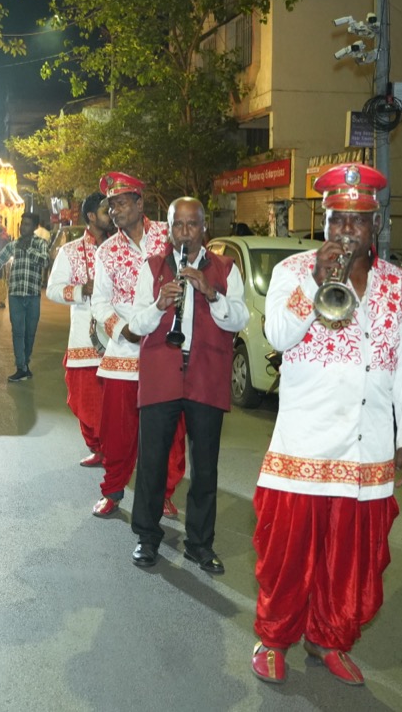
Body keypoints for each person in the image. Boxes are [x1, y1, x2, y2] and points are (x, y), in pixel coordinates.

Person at [250, 163, 402, 687]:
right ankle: (274, 638)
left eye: (358, 221)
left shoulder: (398, 285)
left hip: (367, 448)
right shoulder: (292, 271)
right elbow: (279, 335)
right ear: (323, 223)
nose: (346, 231)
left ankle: (328, 637)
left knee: (349, 563)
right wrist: (316, 280)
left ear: (375, 225)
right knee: (288, 557)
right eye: (336, 220)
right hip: (304, 446)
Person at [126, 197, 249, 574]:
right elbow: (136, 325)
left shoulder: (225, 268)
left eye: (192, 225)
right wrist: (160, 305)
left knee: (206, 467)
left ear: (203, 227)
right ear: (168, 228)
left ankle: (200, 544)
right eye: (177, 226)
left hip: (206, 375)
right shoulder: (153, 267)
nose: (184, 233)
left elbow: (239, 318)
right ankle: (147, 537)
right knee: (152, 463)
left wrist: (212, 293)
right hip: (162, 374)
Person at [88, 172, 184, 518]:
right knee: (117, 430)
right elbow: (99, 302)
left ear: (140, 203)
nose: (114, 211)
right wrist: (121, 330)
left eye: (121, 203)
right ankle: (113, 490)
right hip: (123, 350)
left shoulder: (168, 236)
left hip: (167, 344)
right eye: (110, 205)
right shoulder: (106, 251)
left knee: (169, 432)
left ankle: (163, 493)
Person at [46, 192, 112, 466]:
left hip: (119, 338)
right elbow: (52, 290)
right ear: (91, 217)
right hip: (84, 339)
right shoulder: (70, 251)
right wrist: (79, 290)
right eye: (107, 210)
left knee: (115, 402)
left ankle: (116, 450)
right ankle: (98, 449)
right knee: (86, 400)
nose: (112, 214)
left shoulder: (121, 249)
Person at [0, 212, 51, 383]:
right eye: (22, 224)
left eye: (27, 224)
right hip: (15, 294)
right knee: (17, 332)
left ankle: (25, 363)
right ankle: (20, 367)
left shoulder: (40, 243)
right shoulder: (14, 244)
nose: (23, 227)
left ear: (34, 227)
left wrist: (28, 250)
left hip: (32, 295)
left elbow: (45, 261)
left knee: (29, 333)